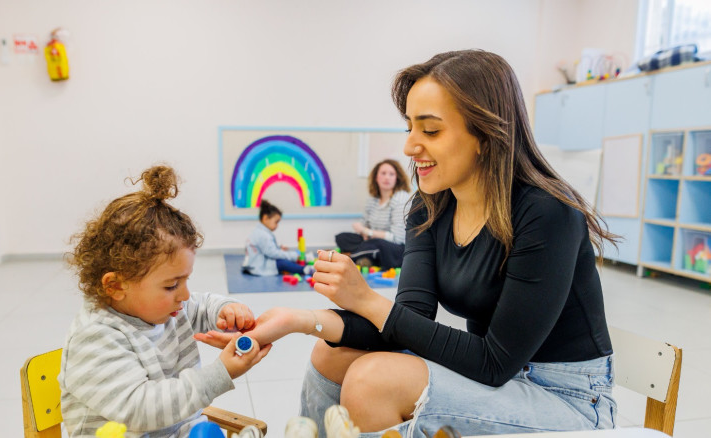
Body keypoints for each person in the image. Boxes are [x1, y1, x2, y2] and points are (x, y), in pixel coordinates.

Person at [198, 49, 619, 437]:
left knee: (372, 382)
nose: (409, 146)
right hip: (498, 379)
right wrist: (298, 320)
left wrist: (365, 299)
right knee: (331, 355)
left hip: (566, 398)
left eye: (430, 130)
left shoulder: (546, 213)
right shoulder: (430, 207)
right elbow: (408, 319)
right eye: (410, 127)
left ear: (485, 135)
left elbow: (494, 362)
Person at [59, 165, 271, 437]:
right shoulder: (94, 338)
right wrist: (219, 375)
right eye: (171, 285)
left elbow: (201, 305)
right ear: (116, 286)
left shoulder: (166, 308)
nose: (184, 295)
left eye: (185, 280)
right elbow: (141, 410)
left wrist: (226, 309)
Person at [335, 159, 412, 268]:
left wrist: (367, 232)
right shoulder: (373, 199)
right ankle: (367, 257)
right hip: (371, 241)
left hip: (394, 247)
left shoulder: (400, 198)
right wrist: (364, 233)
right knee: (342, 238)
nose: (387, 177)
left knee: (377, 244)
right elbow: (364, 225)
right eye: (383, 173)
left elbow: (397, 239)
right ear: (376, 177)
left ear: (397, 178)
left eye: (391, 174)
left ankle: (347, 258)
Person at [242, 199, 315, 276]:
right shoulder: (263, 235)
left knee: (284, 258)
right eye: (276, 222)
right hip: (259, 267)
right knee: (283, 263)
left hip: (255, 263)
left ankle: (303, 260)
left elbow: (265, 249)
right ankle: (305, 269)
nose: (277, 225)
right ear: (265, 218)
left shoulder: (258, 231)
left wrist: (279, 248)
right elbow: (273, 254)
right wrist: (294, 255)